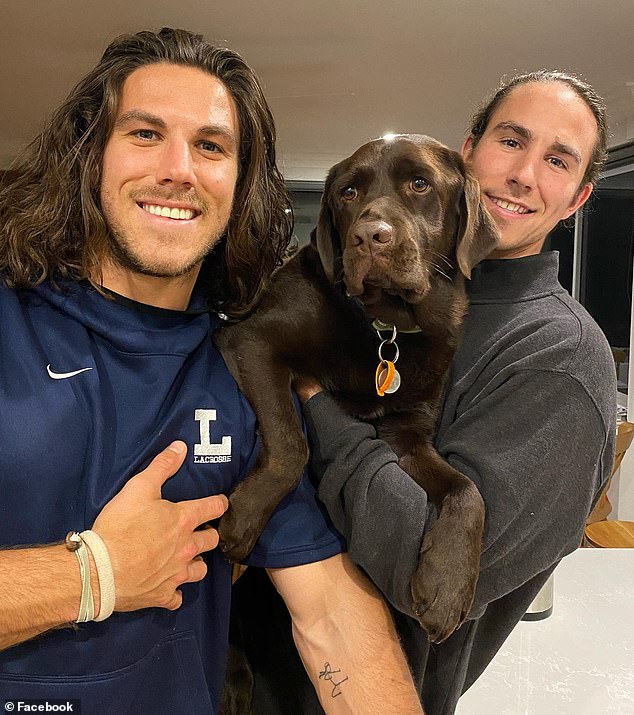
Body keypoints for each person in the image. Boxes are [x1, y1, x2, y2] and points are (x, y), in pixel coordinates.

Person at [0, 28, 424, 715]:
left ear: (241, 182)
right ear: (90, 156)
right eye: (144, 133)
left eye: (211, 146)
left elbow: (330, 615)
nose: (179, 168)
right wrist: (94, 574)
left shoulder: (243, 371)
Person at [236, 71, 617, 714]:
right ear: (469, 155)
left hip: (356, 691)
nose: (524, 173)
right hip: (234, 652)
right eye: (511, 141)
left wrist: (312, 405)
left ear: (576, 199)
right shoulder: (391, 307)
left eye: (557, 160)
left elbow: (424, 574)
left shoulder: (560, 360)